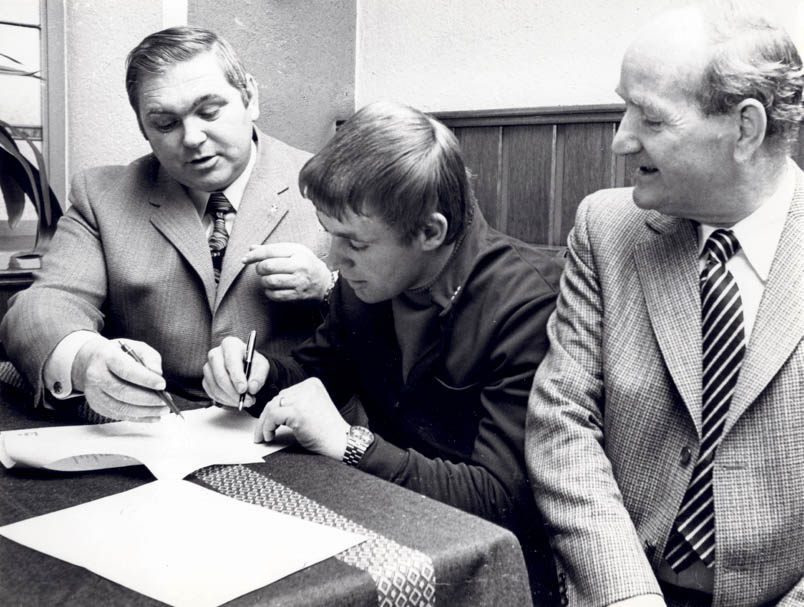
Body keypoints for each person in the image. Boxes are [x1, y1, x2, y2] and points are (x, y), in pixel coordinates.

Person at [203, 101, 563, 604]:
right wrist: (260, 376)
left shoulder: (528, 304)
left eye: (353, 242)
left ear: (430, 232)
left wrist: (351, 443)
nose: (333, 258)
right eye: (330, 234)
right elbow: (315, 374)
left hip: (492, 571)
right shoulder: (365, 282)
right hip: (395, 528)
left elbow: (501, 498)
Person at [526, 2, 804, 606]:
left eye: (650, 117)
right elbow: (561, 422)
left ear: (745, 129)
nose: (621, 140)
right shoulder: (605, 228)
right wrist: (625, 595)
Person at [0, 26, 334, 422]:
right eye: (165, 124)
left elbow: (401, 317)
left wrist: (328, 288)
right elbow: (41, 307)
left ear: (250, 99)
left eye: (210, 112)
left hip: (298, 434)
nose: (192, 138)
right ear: (143, 129)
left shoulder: (332, 183)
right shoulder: (101, 195)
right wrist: (86, 359)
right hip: (155, 430)